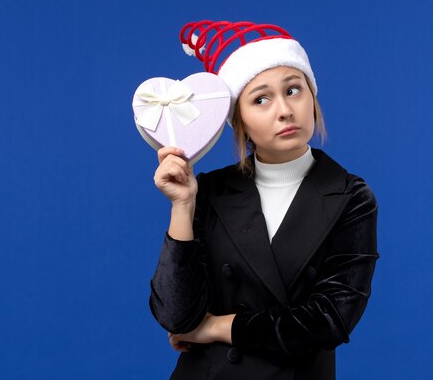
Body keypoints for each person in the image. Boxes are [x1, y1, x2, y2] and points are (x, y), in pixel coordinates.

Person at [149, 21, 379, 380]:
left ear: (312, 97)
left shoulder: (350, 197)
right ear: (239, 120)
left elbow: (329, 320)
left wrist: (213, 328)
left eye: (293, 90)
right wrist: (182, 205)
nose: (285, 110)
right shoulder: (209, 191)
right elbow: (176, 316)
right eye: (261, 99)